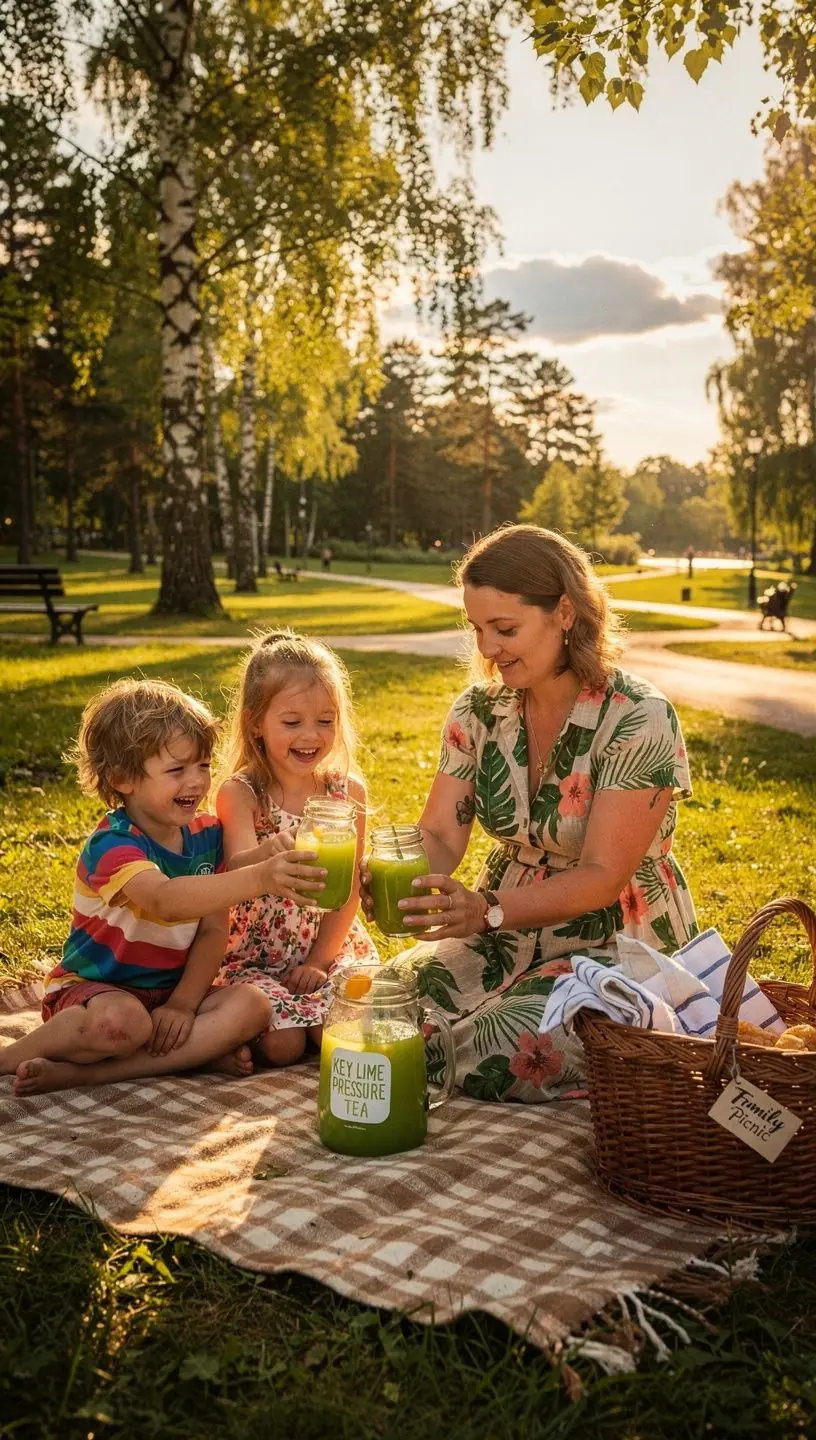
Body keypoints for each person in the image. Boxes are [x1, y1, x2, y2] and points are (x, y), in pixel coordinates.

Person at [365, 524, 697, 1103]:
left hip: (611, 935)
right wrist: (403, 880)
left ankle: (641, 1041)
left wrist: (487, 911)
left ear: (565, 613)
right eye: (478, 630)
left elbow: (602, 876)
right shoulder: (478, 710)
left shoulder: (639, 717)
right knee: (382, 1003)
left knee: (505, 1047)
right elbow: (441, 832)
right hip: (501, 918)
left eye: (505, 629)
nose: (488, 650)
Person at [1, 679, 323, 1098]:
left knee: (252, 1006)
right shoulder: (113, 843)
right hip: (99, 991)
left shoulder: (207, 834)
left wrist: (184, 1004)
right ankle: (9, 1057)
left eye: (204, 765)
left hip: (170, 991)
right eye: (177, 770)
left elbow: (212, 930)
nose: (196, 782)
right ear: (123, 778)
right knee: (122, 1024)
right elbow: (163, 900)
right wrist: (260, 876)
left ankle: (92, 1073)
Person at [214, 630, 378, 1067]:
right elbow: (237, 868)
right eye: (292, 722)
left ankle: (305, 1013)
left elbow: (346, 894)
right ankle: (228, 1040)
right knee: (284, 1048)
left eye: (325, 721)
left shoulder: (347, 794)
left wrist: (321, 962)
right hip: (256, 955)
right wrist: (270, 851)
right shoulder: (242, 792)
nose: (311, 735)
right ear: (255, 723)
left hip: (326, 945)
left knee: (337, 1031)